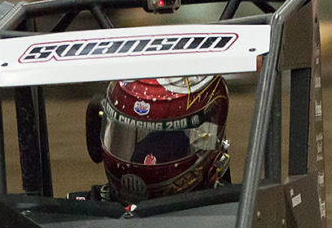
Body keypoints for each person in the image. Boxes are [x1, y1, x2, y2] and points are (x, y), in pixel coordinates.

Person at [84, 74, 230, 204]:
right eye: (124, 130)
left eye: (168, 133)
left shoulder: (229, 215)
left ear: (209, 135)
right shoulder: (88, 209)